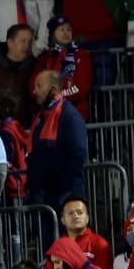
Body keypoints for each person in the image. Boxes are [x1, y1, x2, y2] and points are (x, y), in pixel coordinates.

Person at [26, 70, 87, 212]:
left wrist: (63, 187)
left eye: (39, 86)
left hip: (65, 195)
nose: (34, 91)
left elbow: (78, 154)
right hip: (43, 195)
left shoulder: (70, 116)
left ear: (53, 89)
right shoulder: (40, 117)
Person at [33, 15, 92, 121]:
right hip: (48, 116)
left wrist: (56, 96)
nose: (66, 33)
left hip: (74, 115)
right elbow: (34, 85)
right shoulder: (43, 59)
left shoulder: (81, 56)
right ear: (52, 34)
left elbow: (81, 87)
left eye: (69, 29)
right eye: (61, 29)